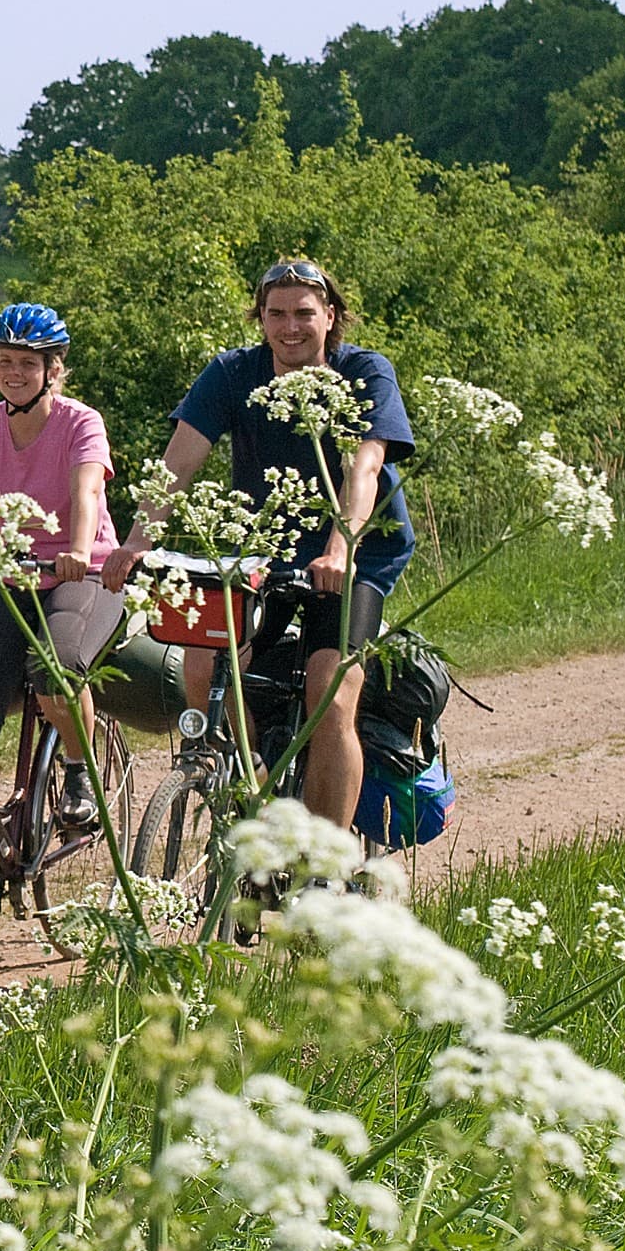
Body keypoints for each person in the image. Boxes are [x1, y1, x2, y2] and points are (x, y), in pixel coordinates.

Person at [102, 259, 415, 831]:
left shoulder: (365, 372)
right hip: (262, 548)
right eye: (276, 314)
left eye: (304, 314)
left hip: (354, 554)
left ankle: (326, 859)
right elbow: (180, 460)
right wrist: (136, 542)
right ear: (261, 319)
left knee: (331, 694)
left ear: (330, 316)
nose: (290, 327)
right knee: (204, 667)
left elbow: (365, 466)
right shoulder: (233, 374)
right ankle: (257, 797)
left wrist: (340, 547)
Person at [0, 303, 124, 833]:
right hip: (10, 577)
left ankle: (79, 772)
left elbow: (87, 490)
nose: (13, 373)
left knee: (58, 670)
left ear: (53, 369)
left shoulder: (81, 422)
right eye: (4, 361)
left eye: (27, 363)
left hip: (81, 574)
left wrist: (77, 549)